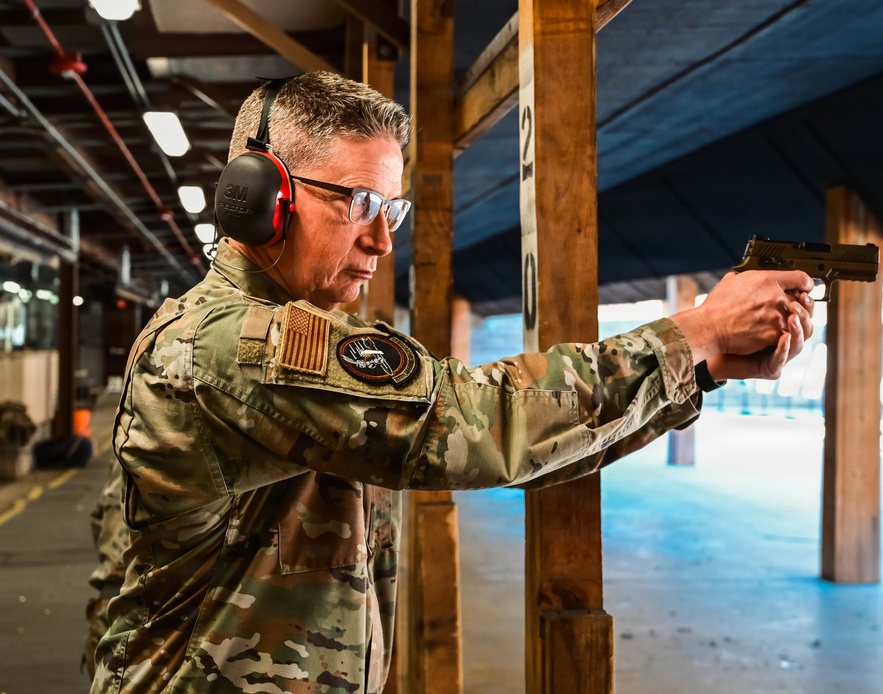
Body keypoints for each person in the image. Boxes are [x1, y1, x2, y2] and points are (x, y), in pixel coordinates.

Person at [90, 71, 815, 694]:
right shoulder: (228, 343)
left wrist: (702, 369)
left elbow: (531, 448)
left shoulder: (280, 335)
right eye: (359, 202)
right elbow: (478, 424)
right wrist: (699, 332)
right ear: (261, 195)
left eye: (391, 209)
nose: (382, 240)